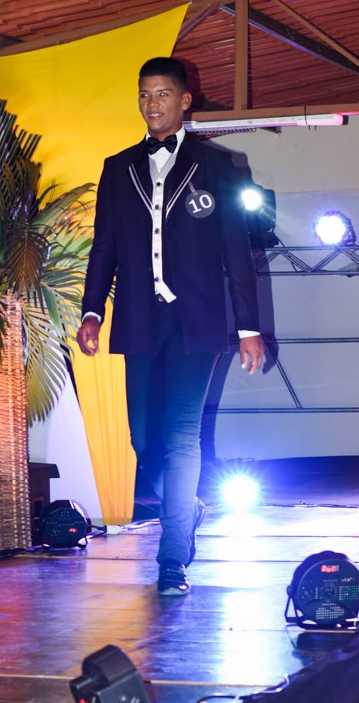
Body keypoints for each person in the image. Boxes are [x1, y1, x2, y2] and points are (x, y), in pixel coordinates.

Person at [76, 57, 264, 596]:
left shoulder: (217, 165)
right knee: (142, 436)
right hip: (140, 316)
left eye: (161, 94)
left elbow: (236, 251)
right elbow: (105, 247)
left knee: (182, 434)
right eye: (144, 94)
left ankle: (172, 559)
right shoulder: (119, 168)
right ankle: (187, 507)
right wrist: (92, 310)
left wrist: (247, 326)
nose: (151, 103)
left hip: (196, 318)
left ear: (184, 101)